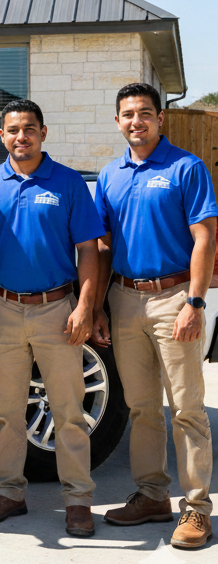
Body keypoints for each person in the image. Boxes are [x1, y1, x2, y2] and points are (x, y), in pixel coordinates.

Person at [0, 99, 102, 538]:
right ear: (1, 135)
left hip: (57, 309)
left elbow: (89, 250)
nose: (22, 136)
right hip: (1, 309)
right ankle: (8, 493)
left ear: (43, 133)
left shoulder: (68, 182)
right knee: (6, 412)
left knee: (68, 411)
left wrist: (84, 307)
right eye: (13, 129)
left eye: (30, 128)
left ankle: (78, 500)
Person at [91, 82, 217, 549]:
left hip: (174, 297)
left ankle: (197, 508)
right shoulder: (110, 176)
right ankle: (152, 496)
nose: (136, 121)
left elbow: (205, 237)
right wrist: (99, 305)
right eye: (127, 114)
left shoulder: (186, 167)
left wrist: (195, 303)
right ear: (117, 121)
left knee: (186, 409)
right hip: (125, 299)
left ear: (160, 118)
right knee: (142, 407)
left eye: (144, 112)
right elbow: (103, 245)